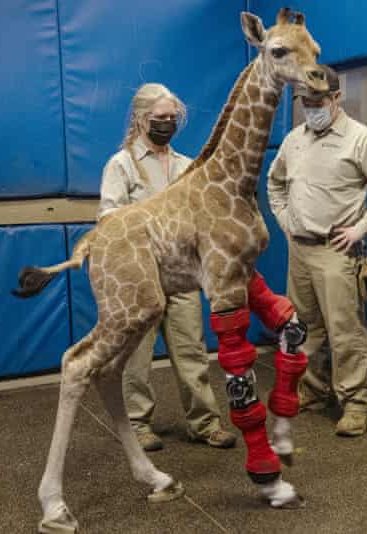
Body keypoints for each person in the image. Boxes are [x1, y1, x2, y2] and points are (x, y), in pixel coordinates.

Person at [267, 65, 367, 437]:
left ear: (336, 97)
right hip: (299, 249)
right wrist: (286, 221)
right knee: (303, 328)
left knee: (345, 331)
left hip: (336, 250)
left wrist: (363, 227)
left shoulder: (360, 139)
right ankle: (312, 391)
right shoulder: (294, 139)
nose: (311, 108)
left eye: (318, 101)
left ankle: (355, 403)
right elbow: (275, 183)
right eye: (305, 102)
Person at [98, 83, 236, 452]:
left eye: (172, 118)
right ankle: (137, 426)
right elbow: (108, 217)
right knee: (136, 359)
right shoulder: (121, 164)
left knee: (192, 351)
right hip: (140, 280)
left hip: (181, 276)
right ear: (142, 119)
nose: (167, 124)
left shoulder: (187, 166)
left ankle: (204, 423)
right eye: (159, 118)